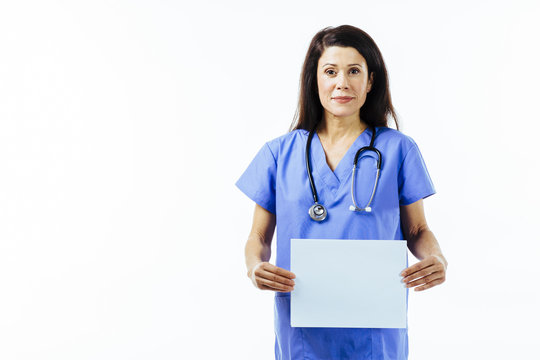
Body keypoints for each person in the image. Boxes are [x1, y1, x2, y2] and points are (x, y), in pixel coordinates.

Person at [235, 25, 448, 360]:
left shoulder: (398, 150)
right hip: (302, 324)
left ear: (370, 81)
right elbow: (258, 236)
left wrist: (435, 258)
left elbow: (417, 230)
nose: (342, 83)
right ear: (314, 79)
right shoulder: (279, 153)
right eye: (330, 71)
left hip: (376, 326)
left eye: (354, 71)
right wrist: (254, 266)